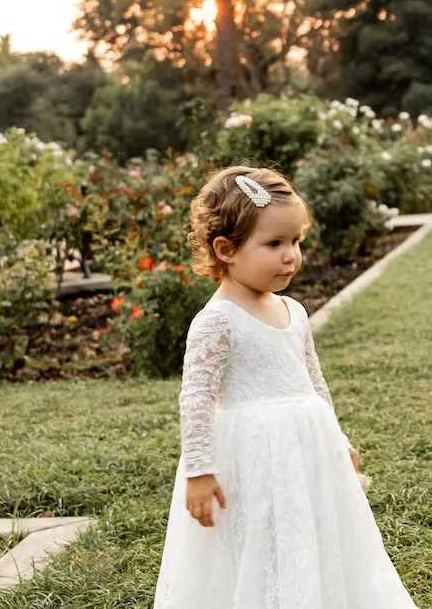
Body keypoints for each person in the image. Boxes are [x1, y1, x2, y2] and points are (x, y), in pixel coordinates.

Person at [153, 166, 418, 609]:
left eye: (295, 241)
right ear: (226, 249)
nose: (291, 255)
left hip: (306, 449)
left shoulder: (292, 310)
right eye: (274, 244)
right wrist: (199, 471)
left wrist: (339, 440)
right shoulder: (216, 321)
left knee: (310, 533)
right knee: (260, 541)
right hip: (250, 454)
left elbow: (313, 382)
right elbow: (195, 399)